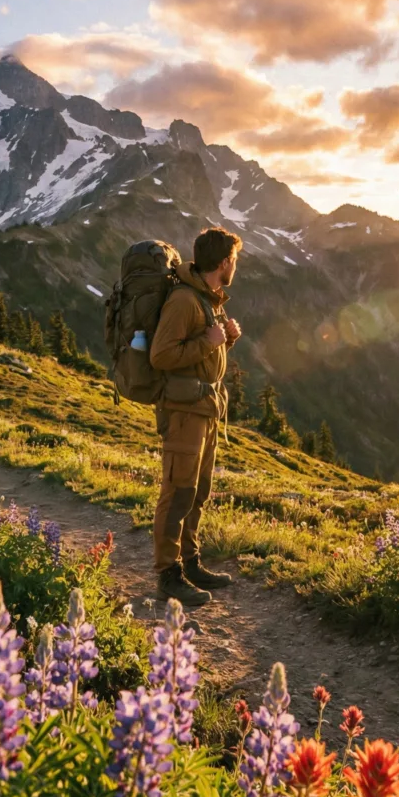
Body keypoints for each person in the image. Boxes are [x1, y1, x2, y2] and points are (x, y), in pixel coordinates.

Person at [150, 227, 243, 606]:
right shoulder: (185, 300)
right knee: (177, 493)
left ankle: (190, 561)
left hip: (203, 411)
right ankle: (167, 572)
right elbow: (162, 355)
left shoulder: (208, 299)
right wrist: (210, 341)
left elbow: (201, 354)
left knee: (198, 492)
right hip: (184, 414)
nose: (235, 267)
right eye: (234, 261)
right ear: (223, 264)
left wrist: (226, 339)